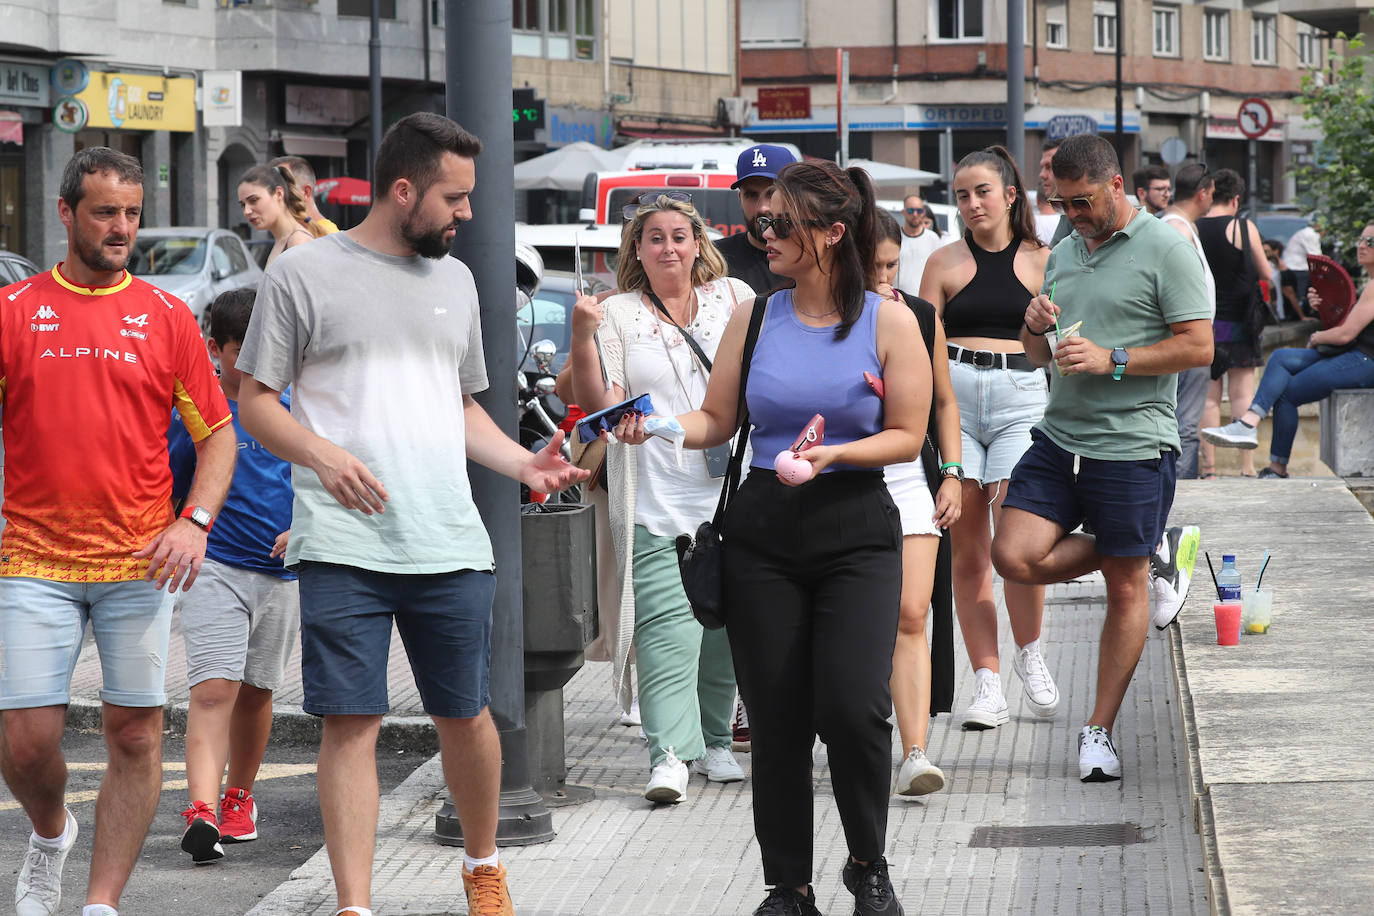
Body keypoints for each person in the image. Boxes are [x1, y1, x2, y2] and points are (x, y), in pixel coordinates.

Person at [235, 112, 588, 916]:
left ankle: (483, 866)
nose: (467, 212)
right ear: (404, 191)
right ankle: (354, 906)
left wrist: (523, 463)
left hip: (447, 538)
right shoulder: (302, 274)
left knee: (466, 717)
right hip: (341, 540)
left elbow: (459, 407)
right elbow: (255, 403)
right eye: (454, 197)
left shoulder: (456, 282)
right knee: (349, 723)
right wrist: (322, 455)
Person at [616, 159, 931, 916]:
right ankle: (787, 887)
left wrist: (833, 455)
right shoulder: (754, 317)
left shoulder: (889, 320)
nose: (764, 232)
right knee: (777, 719)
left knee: (854, 709)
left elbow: (908, 434)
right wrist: (657, 424)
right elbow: (717, 420)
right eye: (761, 220)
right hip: (762, 531)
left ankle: (868, 863)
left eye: (780, 222)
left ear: (832, 233)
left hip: (856, 527)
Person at [0, 147, 236, 916]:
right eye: (105, 212)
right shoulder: (13, 311)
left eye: (132, 214)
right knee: (25, 741)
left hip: (141, 563)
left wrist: (194, 522)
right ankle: (50, 833)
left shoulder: (166, 316)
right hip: (31, 558)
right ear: (65, 213)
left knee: (135, 737)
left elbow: (218, 435)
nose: (121, 228)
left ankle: (100, 905)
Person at [993, 133, 1212, 783]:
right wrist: (1034, 324)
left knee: (1123, 587)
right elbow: (1037, 354)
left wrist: (1114, 358)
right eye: (1061, 203)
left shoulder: (1166, 248)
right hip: (1060, 438)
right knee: (1013, 556)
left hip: (1133, 442)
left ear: (1117, 185)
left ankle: (1099, 731)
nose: (1072, 215)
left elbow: (1198, 346)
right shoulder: (1064, 251)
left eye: (1082, 201)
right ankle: (1147, 547)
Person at [568, 193, 753, 803]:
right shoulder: (617, 312)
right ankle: (669, 754)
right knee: (665, 627)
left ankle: (715, 740)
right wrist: (582, 336)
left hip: (731, 489)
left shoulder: (735, 298)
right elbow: (602, 401)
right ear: (638, 249)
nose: (668, 247)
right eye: (655, 238)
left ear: (698, 243)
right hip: (653, 493)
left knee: (723, 625)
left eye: (679, 235)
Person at [918, 145, 1055, 733]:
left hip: (1022, 396)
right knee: (968, 549)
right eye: (962, 195)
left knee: (1017, 542)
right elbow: (919, 344)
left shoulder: (1046, 259)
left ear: (1010, 194)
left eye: (982, 191)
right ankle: (987, 681)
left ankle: (1031, 651)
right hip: (954, 398)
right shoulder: (942, 261)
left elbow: (1058, 347)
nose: (972, 204)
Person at [168, 288, 298, 865]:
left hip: (280, 575)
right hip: (215, 566)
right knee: (214, 688)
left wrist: (304, 527)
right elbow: (173, 485)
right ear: (214, 348)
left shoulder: (292, 410)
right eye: (240, 350)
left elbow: (316, 481)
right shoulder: (197, 413)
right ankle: (201, 811)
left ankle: (239, 796)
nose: (252, 363)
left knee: (257, 691)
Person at [872, 210, 960, 798]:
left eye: (891, 265)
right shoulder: (827, 318)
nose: (884, 278)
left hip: (908, 478)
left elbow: (945, 403)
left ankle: (915, 751)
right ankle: (859, 732)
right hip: (843, 476)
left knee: (911, 613)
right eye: (872, 267)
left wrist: (951, 475)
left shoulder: (921, 315)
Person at [1203, 224, 1374, 478]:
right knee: (1281, 357)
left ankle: (1273, 461)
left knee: (1288, 393)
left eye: (1370, 242)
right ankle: (1251, 424)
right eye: (1361, 239)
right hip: (1355, 354)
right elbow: (1346, 328)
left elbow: (1345, 334)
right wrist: (1323, 307)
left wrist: (1316, 337)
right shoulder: (1369, 284)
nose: (1361, 246)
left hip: (1365, 361)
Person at [1196, 169, 1272, 478]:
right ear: (1236, 199)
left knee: (1208, 398)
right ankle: (1247, 467)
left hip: (1205, 320)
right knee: (1242, 394)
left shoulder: (1194, 226)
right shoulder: (1242, 226)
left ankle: (1209, 468)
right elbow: (1266, 272)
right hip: (1240, 321)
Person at [1157, 163, 1217, 482]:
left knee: (1184, 426)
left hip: (1188, 338)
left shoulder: (1179, 227)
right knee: (1185, 428)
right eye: (1212, 195)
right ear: (1202, 193)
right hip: (1185, 339)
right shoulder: (1177, 230)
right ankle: (1182, 495)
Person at [714, 143, 798, 295]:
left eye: (772, 194)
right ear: (740, 198)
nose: (762, 208)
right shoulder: (715, 259)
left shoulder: (813, 261)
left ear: (795, 197)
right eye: (752, 195)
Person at [237, 163, 328, 267]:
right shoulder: (282, 241)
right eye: (243, 205)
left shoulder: (298, 241)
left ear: (279, 194)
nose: (247, 211)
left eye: (254, 200)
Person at [269, 155, 341, 234]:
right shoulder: (292, 232)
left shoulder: (326, 234)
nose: (274, 195)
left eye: (282, 187)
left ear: (306, 192)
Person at [896, 193, 944, 295]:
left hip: (925, 297)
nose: (915, 214)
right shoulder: (895, 236)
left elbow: (940, 270)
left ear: (923, 212)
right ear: (903, 212)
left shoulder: (933, 238)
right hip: (900, 298)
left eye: (919, 211)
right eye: (910, 210)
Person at [1280, 221, 1321, 317]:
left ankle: (1300, 314)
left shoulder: (1305, 233)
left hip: (1295, 267)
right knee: (1300, 295)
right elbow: (1316, 256)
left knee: (1296, 294)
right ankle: (1301, 315)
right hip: (1298, 268)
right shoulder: (1310, 234)